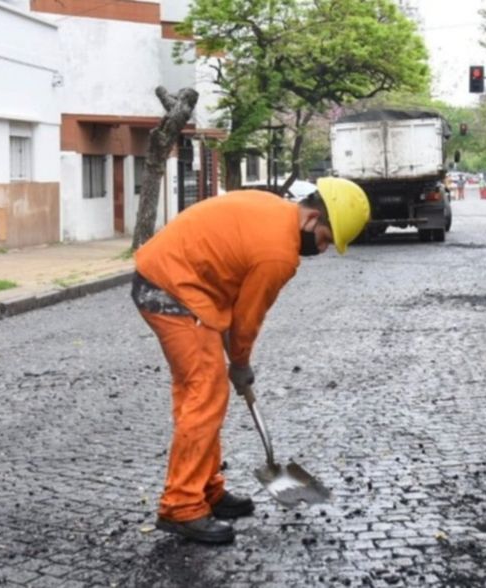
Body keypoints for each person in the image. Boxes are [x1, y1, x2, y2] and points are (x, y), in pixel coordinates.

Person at [131, 178, 370, 545]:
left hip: (175, 282)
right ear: (312, 220)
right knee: (205, 396)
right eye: (324, 239)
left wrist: (235, 360)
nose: (322, 250)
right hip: (174, 289)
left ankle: (206, 490)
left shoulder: (272, 206)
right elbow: (246, 319)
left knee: (198, 394)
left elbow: (231, 292)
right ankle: (180, 506)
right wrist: (239, 364)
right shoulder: (279, 254)